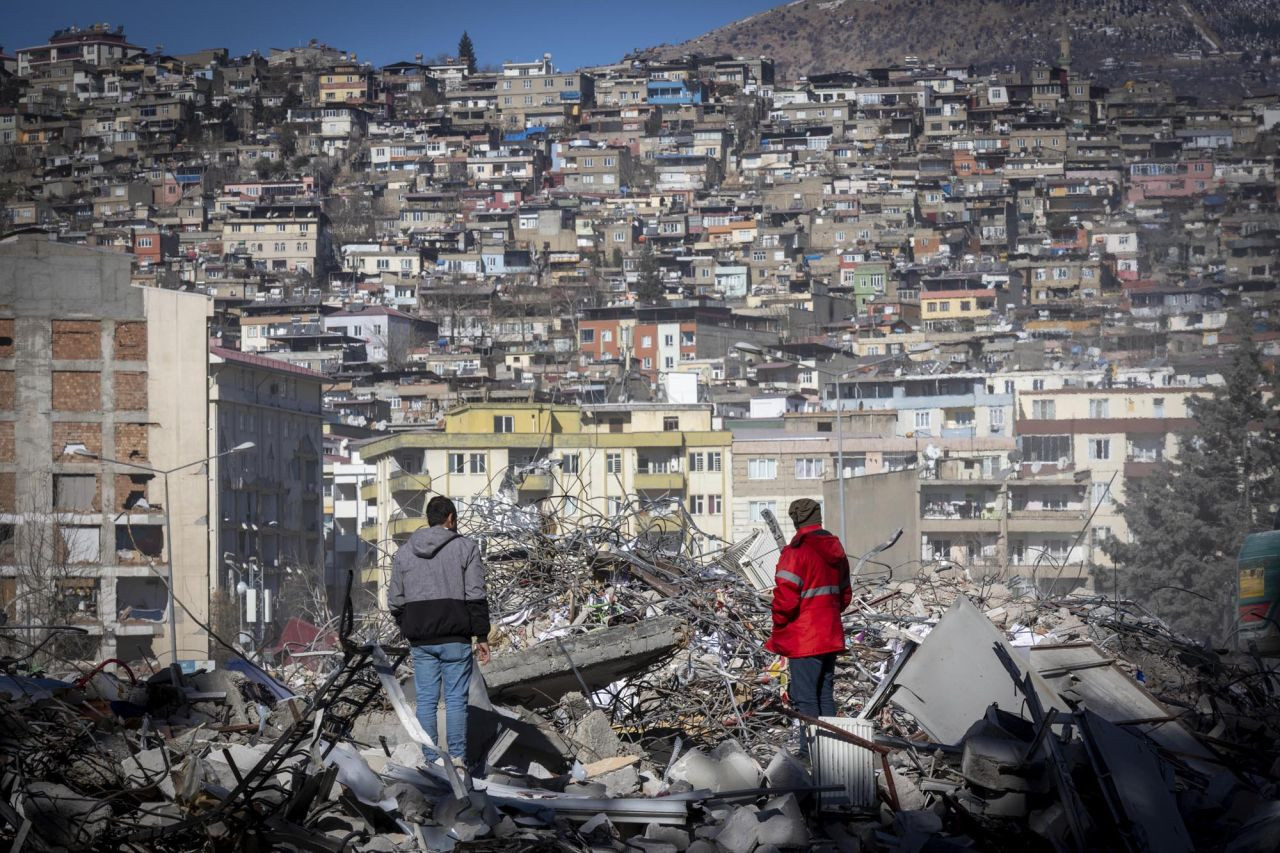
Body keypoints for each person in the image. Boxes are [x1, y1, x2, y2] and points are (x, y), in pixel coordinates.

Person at [388, 496, 491, 766]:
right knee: (456, 700)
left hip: (421, 639)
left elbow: (395, 601)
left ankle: (431, 761)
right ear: (451, 519)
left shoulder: (404, 552)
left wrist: (409, 627)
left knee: (426, 701)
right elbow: (476, 595)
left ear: (428, 519)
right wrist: (481, 636)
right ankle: (457, 759)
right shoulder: (466, 548)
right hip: (455, 637)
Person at [765, 498, 852, 735]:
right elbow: (845, 595)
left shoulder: (796, 553)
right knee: (825, 696)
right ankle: (831, 754)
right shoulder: (836, 550)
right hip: (830, 635)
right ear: (818, 517)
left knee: (805, 701)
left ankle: (809, 755)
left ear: (795, 521)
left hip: (805, 639)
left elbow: (785, 600)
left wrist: (780, 625)